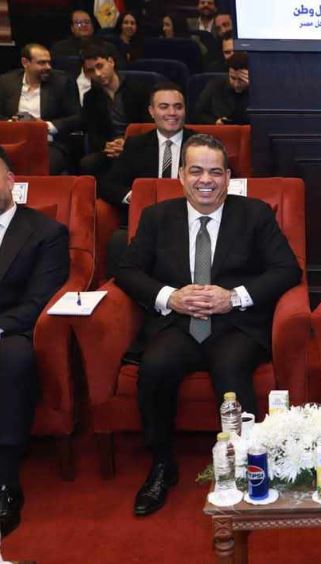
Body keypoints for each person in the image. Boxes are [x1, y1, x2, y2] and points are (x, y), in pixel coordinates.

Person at [116, 134, 301, 516]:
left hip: (236, 324)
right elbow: (127, 271)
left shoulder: (254, 214)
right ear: (181, 175)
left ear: (228, 177)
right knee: (155, 366)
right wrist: (170, 296)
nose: (206, 180)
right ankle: (162, 464)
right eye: (196, 171)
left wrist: (233, 296)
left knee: (230, 367)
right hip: (178, 323)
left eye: (215, 172)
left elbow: (287, 270)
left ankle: (247, 465)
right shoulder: (157, 217)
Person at [0, 146, 70, 537]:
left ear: (11, 181)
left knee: (13, 361)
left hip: (12, 330)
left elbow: (39, 300)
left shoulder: (45, 232)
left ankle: (7, 481)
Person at [100, 83, 196, 276]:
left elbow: (230, 182)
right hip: (146, 220)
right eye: (164, 107)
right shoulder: (136, 144)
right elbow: (109, 184)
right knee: (119, 240)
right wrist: (135, 197)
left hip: (190, 218)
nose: (172, 113)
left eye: (178, 107)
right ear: (152, 111)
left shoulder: (200, 143)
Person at [0, 43, 81, 174]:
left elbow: (77, 118)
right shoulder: (6, 82)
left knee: (42, 165)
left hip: (49, 143)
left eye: (49, 62)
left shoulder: (62, 82)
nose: (48, 67)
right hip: (11, 142)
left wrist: (44, 126)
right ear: (25, 62)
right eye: (42, 63)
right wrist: (11, 124)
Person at [79, 41, 151, 177]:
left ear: (111, 62)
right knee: (87, 163)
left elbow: (148, 125)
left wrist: (128, 144)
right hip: (110, 149)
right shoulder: (90, 97)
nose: (97, 74)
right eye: (91, 71)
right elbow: (94, 133)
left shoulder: (139, 88)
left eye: (100, 66)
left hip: (138, 145)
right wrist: (107, 146)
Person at [192, 52, 249, 125]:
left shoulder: (259, 91)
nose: (236, 84)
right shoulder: (216, 85)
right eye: (233, 78)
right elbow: (198, 114)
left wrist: (252, 88)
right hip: (220, 129)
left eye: (241, 80)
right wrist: (215, 121)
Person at [51, 10, 121, 63]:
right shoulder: (59, 48)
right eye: (78, 23)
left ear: (92, 26)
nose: (84, 25)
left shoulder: (108, 47)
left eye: (87, 22)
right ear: (72, 28)